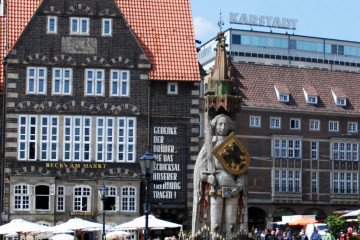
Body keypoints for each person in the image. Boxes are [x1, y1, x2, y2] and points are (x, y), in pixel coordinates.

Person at [192, 114, 247, 237]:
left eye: (225, 124)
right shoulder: (210, 145)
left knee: (232, 226)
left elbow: (241, 171)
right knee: (215, 225)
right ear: (215, 126)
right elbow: (199, 170)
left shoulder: (233, 145)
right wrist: (207, 178)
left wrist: (238, 186)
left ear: (229, 126)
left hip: (232, 190)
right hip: (215, 190)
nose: (222, 127)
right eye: (220, 124)